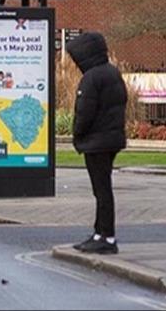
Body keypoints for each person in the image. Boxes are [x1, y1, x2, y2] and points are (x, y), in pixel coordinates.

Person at [65, 31, 128, 255]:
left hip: (96, 142)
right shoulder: (112, 73)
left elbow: (84, 112)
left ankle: (106, 237)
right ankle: (100, 233)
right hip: (111, 139)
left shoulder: (91, 78)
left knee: (101, 191)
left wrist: (78, 135)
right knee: (103, 189)